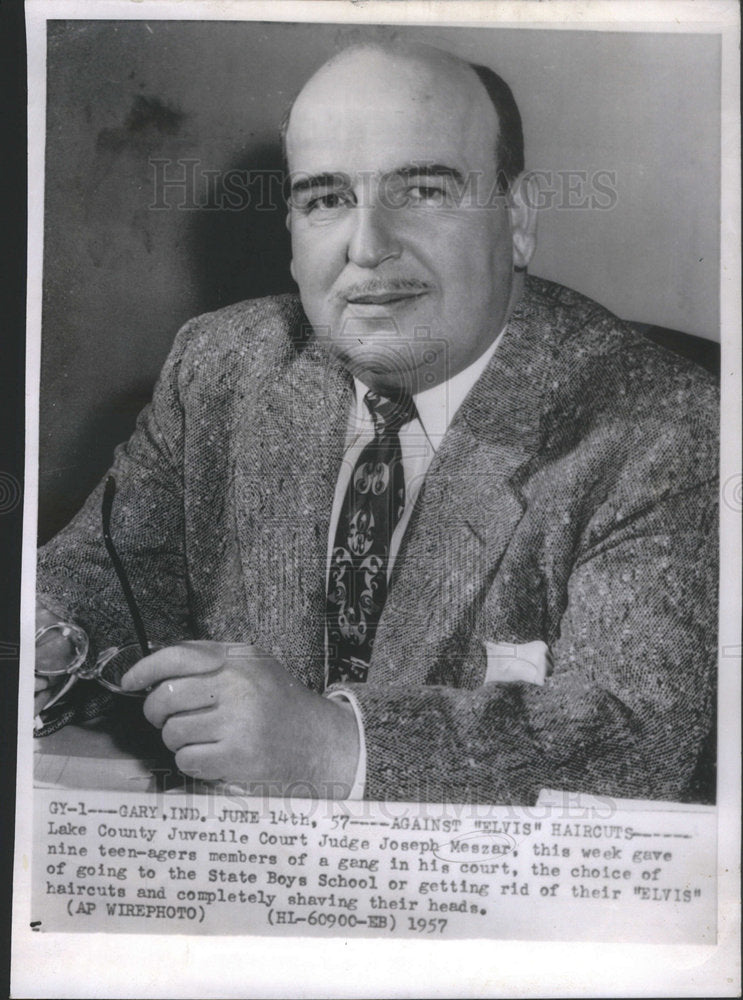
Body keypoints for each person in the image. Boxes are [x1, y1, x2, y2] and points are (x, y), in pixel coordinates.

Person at [35, 41, 718, 804]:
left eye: (421, 190)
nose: (366, 248)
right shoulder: (221, 366)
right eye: (325, 199)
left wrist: (331, 745)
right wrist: (47, 639)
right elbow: (100, 584)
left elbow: (636, 737)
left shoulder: (664, 428)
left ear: (517, 220)